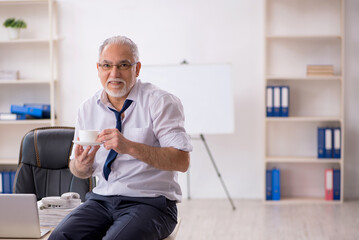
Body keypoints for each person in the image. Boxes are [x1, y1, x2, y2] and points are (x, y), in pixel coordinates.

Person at [49, 35, 192, 240]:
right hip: (101, 200)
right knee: (59, 238)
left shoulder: (161, 102)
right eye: (107, 65)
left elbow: (181, 160)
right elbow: (77, 169)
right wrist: (81, 166)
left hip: (151, 203)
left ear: (137, 68)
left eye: (123, 65)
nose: (114, 73)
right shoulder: (87, 109)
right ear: (98, 68)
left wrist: (130, 147)